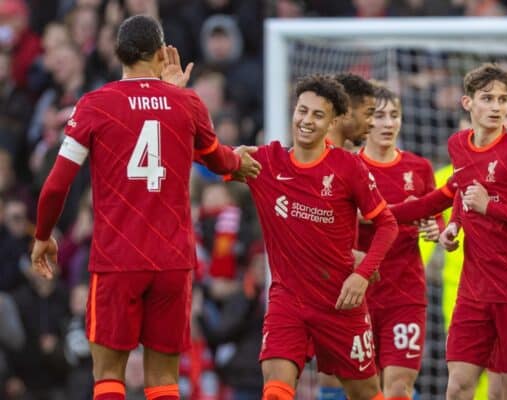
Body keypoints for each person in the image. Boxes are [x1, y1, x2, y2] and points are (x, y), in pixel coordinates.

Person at [30, 15, 260, 400]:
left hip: (117, 259)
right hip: (172, 261)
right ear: (160, 54)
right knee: (164, 380)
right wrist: (240, 162)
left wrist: (42, 235)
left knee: (107, 376)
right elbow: (217, 161)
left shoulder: (94, 104)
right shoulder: (187, 103)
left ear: (118, 53)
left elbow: (55, 185)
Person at [234, 74, 398, 400]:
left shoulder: (348, 168)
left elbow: (387, 224)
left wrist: (361, 276)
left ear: (333, 121)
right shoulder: (267, 162)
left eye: (317, 114)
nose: (307, 120)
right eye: (302, 111)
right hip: (288, 301)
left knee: (366, 392)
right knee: (276, 390)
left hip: (339, 301)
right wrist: (228, 157)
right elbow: (207, 155)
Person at [437, 63, 507, 400]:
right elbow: (463, 192)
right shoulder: (457, 145)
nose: (497, 107)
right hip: (473, 291)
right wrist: (454, 224)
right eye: (488, 98)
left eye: (502, 99)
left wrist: (490, 208)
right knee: (458, 387)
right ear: (467, 103)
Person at [357, 84, 442, 399]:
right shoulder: (351, 166)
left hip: (405, 294)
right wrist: (402, 211)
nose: (388, 123)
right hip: (358, 293)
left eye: (395, 115)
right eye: (379, 116)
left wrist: (434, 227)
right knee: (364, 388)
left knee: (399, 387)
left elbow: (435, 215)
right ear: (365, 121)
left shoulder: (419, 168)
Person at [318, 71, 375, 400]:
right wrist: (356, 259)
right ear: (347, 113)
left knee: (341, 381)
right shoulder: (316, 158)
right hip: (321, 288)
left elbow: (381, 218)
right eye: (368, 113)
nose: (371, 124)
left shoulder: (349, 163)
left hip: (338, 287)